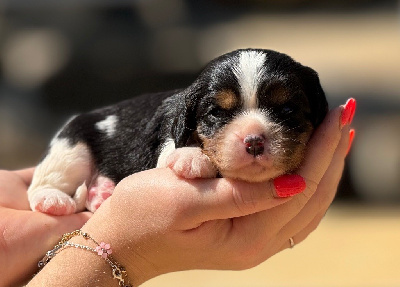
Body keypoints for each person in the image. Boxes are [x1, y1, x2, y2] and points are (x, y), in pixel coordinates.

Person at [0, 101, 355, 287]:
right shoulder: (178, 129)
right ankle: (60, 186)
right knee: (76, 146)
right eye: (221, 112)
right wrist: (117, 247)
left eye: (286, 111)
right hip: (92, 140)